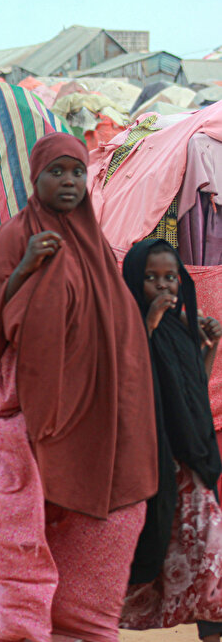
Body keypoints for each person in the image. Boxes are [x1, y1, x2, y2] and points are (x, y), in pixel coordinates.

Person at [0, 132, 159, 642]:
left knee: (106, 525)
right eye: (57, 171)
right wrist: (26, 266)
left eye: (77, 171)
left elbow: (118, 330)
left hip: (97, 417)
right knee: (22, 533)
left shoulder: (96, 244)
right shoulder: (14, 237)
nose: (69, 181)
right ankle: (23, 631)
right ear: (37, 179)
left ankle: (82, 626)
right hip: (27, 414)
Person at [119, 239, 222, 639]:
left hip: (189, 468)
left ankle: (211, 632)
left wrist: (206, 350)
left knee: (209, 557)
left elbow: (191, 391)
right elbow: (125, 379)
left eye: (171, 278)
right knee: (146, 561)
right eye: (150, 278)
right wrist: (146, 327)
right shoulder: (126, 328)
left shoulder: (180, 328)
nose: (163, 288)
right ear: (132, 281)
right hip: (149, 470)